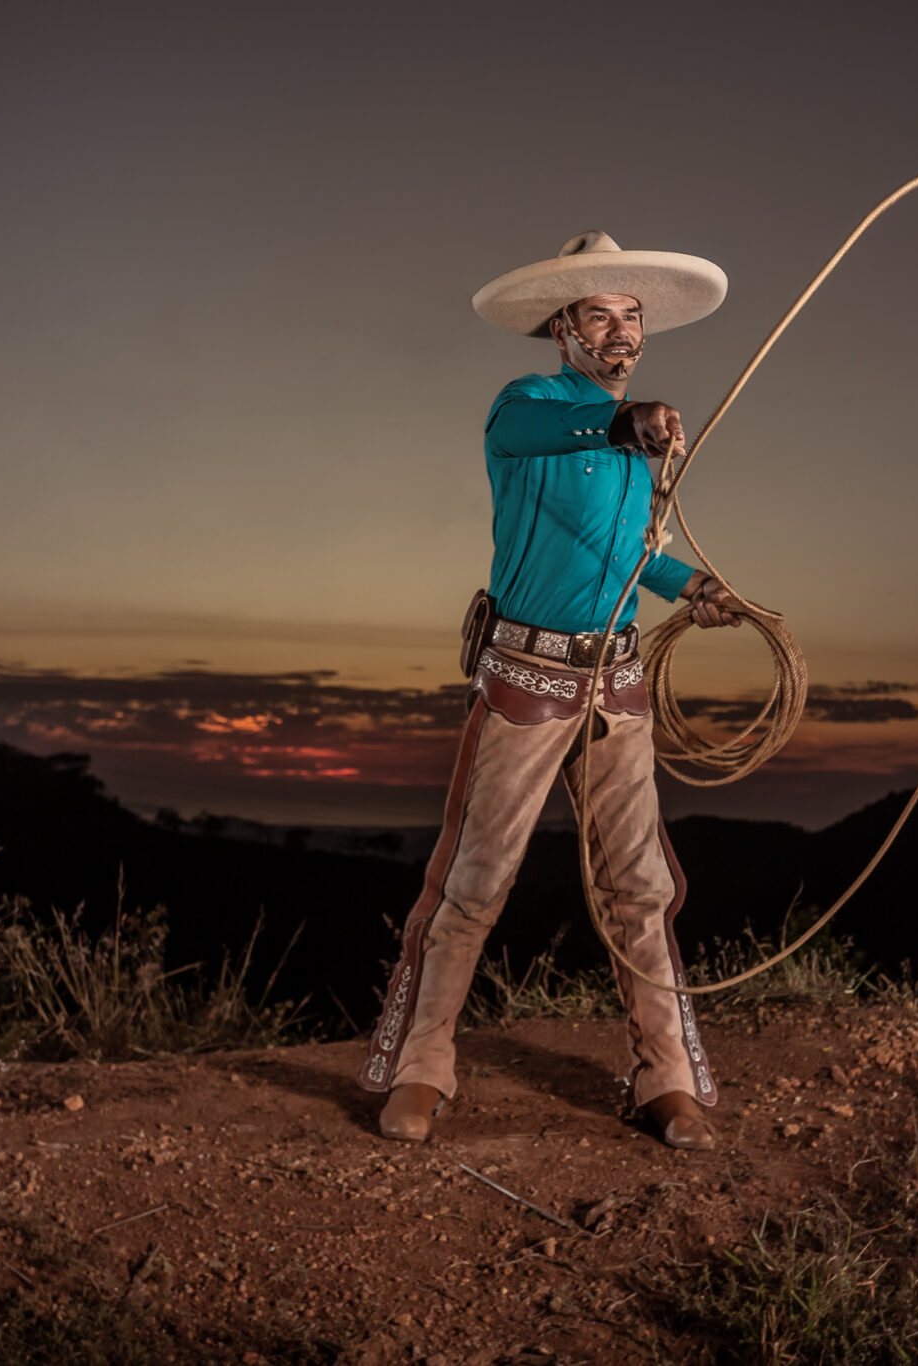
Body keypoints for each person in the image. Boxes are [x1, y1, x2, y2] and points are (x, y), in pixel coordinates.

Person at [357, 231, 739, 1150]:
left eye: (631, 315)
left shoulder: (636, 435)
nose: (620, 329)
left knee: (639, 884)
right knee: (477, 875)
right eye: (600, 314)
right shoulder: (529, 405)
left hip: (617, 672)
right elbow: (522, 436)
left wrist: (692, 587)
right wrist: (620, 422)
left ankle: (667, 1076)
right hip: (527, 674)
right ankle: (422, 1065)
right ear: (565, 328)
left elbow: (623, 548)